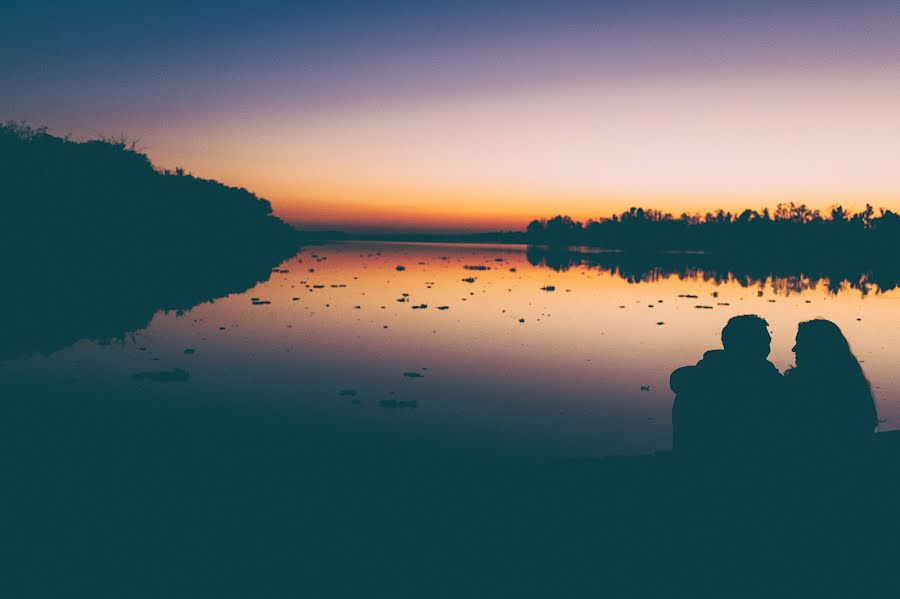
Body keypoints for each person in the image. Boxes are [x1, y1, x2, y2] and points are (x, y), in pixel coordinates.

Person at [670, 315, 785, 464]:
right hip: (725, 465)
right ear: (740, 344)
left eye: (767, 343)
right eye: (760, 342)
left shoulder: (702, 374)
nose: (766, 349)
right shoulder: (758, 379)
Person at [784, 319, 878, 460]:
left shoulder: (802, 385)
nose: (794, 349)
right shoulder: (851, 381)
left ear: (816, 348)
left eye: (800, 343)